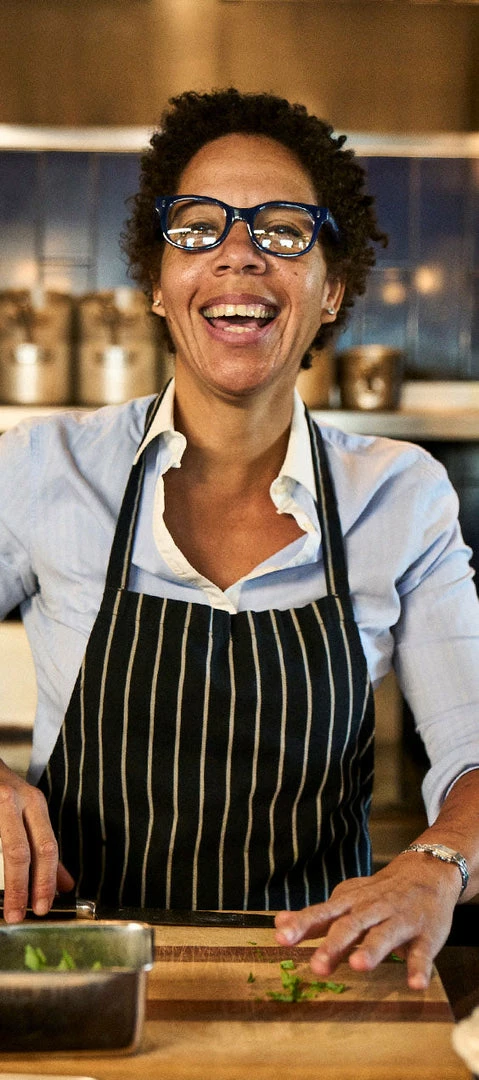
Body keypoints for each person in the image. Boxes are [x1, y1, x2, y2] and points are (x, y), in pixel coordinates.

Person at [0, 88, 478, 993]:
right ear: (156, 281)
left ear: (332, 290)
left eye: (283, 231)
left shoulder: (399, 495)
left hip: (316, 978)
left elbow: (473, 747)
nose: (238, 253)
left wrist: (439, 859)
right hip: (81, 980)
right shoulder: (41, 467)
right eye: (197, 228)